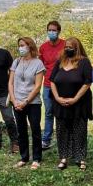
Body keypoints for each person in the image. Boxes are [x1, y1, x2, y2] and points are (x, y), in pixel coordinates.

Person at [50, 36, 93, 170]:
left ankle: (80, 158)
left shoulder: (84, 62)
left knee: (79, 130)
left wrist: (75, 99)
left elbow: (87, 82)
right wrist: (57, 97)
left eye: (70, 47)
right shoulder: (60, 61)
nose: (67, 49)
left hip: (79, 104)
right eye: (66, 47)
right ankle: (63, 157)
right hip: (60, 103)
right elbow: (52, 80)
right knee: (62, 131)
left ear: (77, 48)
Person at [9, 37, 45, 169]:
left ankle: (36, 158)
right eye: (19, 45)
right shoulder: (16, 62)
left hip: (33, 103)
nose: (20, 48)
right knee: (21, 130)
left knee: (35, 129)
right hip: (17, 102)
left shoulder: (38, 63)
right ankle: (24, 157)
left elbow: (37, 86)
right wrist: (13, 99)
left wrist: (25, 102)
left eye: (23, 45)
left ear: (30, 46)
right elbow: (10, 82)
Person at [38, 21, 65, 149]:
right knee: (49, 112)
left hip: (62, 84)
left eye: (54, 30)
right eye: (49, 30)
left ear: (59, 31)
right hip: (48, 84)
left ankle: (63, 138)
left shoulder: (65, 45)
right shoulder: (43, 47)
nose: (51, 32)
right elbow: (41, 65)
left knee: (62, 112)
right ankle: (46, 139)